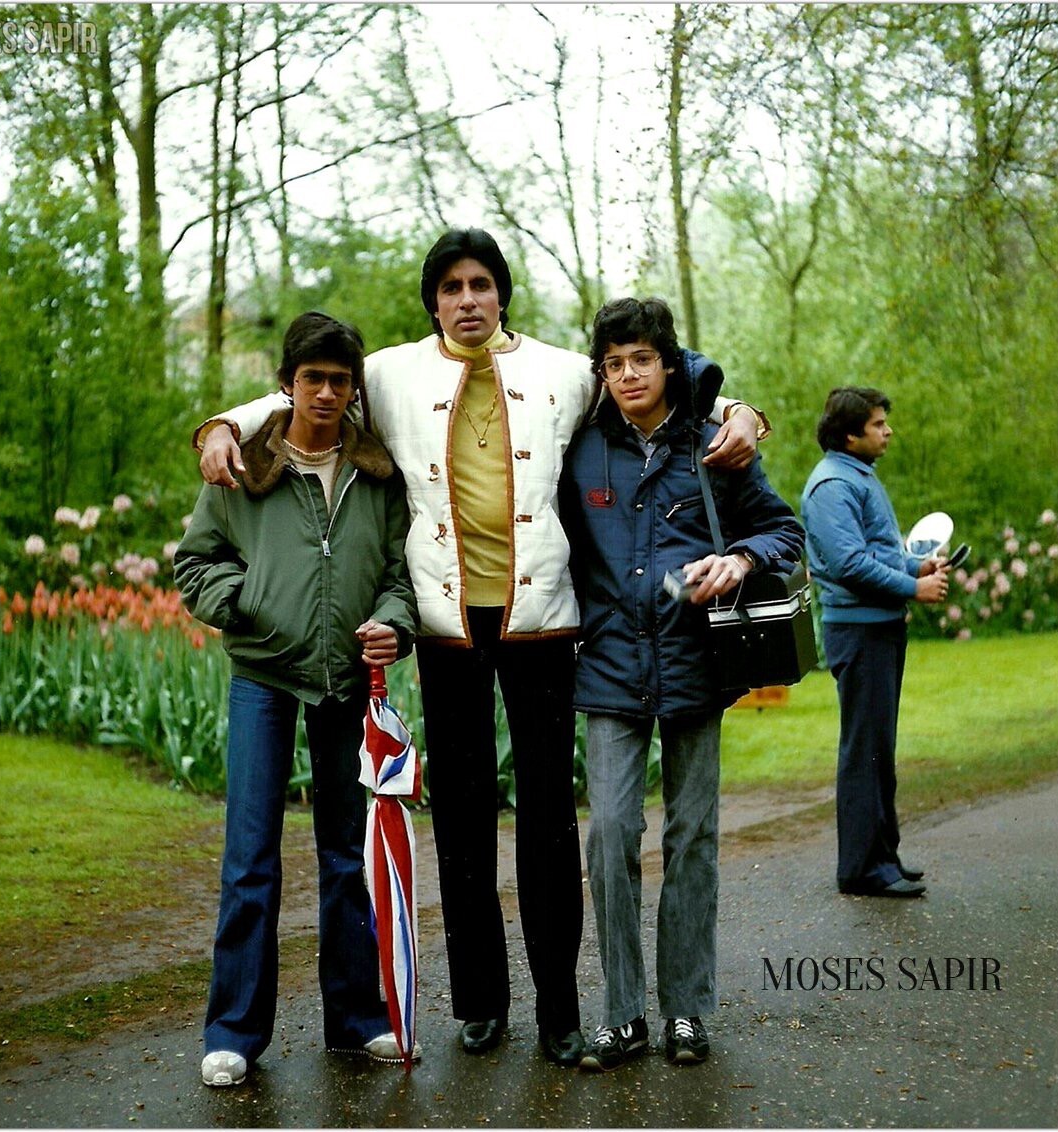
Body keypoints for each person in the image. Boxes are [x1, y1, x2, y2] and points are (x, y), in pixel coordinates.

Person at [192, 228, 770, 1066]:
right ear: (433, 299)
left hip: (543, 619)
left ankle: (560, 1011)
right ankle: (480, 1003)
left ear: (502, 295)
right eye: (452, 286)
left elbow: (666, 377)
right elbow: (298, 396)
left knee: (544, 821)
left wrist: (740, 411)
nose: (467, 299)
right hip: (444, 623)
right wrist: (221, 422)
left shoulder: (568, 371)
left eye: (482, 285)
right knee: (461, 820)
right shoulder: (388, 372)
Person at [558, 298, 804, 1072]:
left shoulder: (715, 446)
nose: (627, 374)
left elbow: (782, 528)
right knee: (609, 836)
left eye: (641, 359)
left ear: (668, 364)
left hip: (697, 667)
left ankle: (687, 1012)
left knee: (692, 838)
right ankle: (623, 1015)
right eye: (613, 363)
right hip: (606, 668)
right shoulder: (579, 448)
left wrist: (738, 559)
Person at [174, 312, 419, 1087]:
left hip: (344, 685)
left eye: (338, 380)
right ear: (286, 385)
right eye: (311, 377)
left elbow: (397, 575)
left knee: (348, 859)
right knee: (250, 859)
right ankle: (234, 1034)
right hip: (263, 681)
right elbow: (195, 564)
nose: (324, 391)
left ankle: (358, 1021)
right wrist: (244, 602)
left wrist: (394, 623)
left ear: (352, 392)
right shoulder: (241, 470)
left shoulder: (378, 477)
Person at [800, 387, 948, 899]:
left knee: (879, 748)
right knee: (865, 749)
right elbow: (848, 565)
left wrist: (916, 566)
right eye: (879, 424)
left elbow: (878, 553)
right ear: (850, 434)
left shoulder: (858, 477)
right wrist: (915, 588)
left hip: (878, 626)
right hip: (858, 629)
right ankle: (861, 869)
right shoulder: (832, 487)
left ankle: (883, 857)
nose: (887, 431)